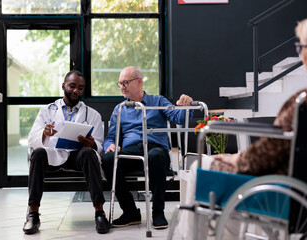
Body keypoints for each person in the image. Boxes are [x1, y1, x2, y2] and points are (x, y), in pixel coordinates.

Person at [181, 18, 307, 239]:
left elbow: (270, 151)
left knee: (200, 169)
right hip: (294, 191)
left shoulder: (302, 102)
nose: (299, 53)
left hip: (279, 193)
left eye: (301, 46)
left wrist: (236, 159)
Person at [101, 66, 194, 230]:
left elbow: (179, 117)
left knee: (155, 156)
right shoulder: (120, 108)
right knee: (108, 159)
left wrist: (185, 105)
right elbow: (110, 138)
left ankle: (158, 213)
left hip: (155, 149)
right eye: (120, 83)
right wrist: (111, 145)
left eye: (126, 83)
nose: (122, 87)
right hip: (131, 151)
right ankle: (130, 212)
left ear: (138, 82)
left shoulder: (158, 101)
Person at [23, 70, 109, 234]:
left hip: (78, 157)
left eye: (81, 88)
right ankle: (33, 214)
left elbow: (99, 145)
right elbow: (31, 138)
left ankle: (99, 212)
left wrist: (92, 144)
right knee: (38, 153)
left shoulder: (93, 115)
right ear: (64, 86)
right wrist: (44, 133)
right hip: (53, 155)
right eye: (72, 86)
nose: (76, 91)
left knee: (89, 153)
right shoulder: (47, 110)